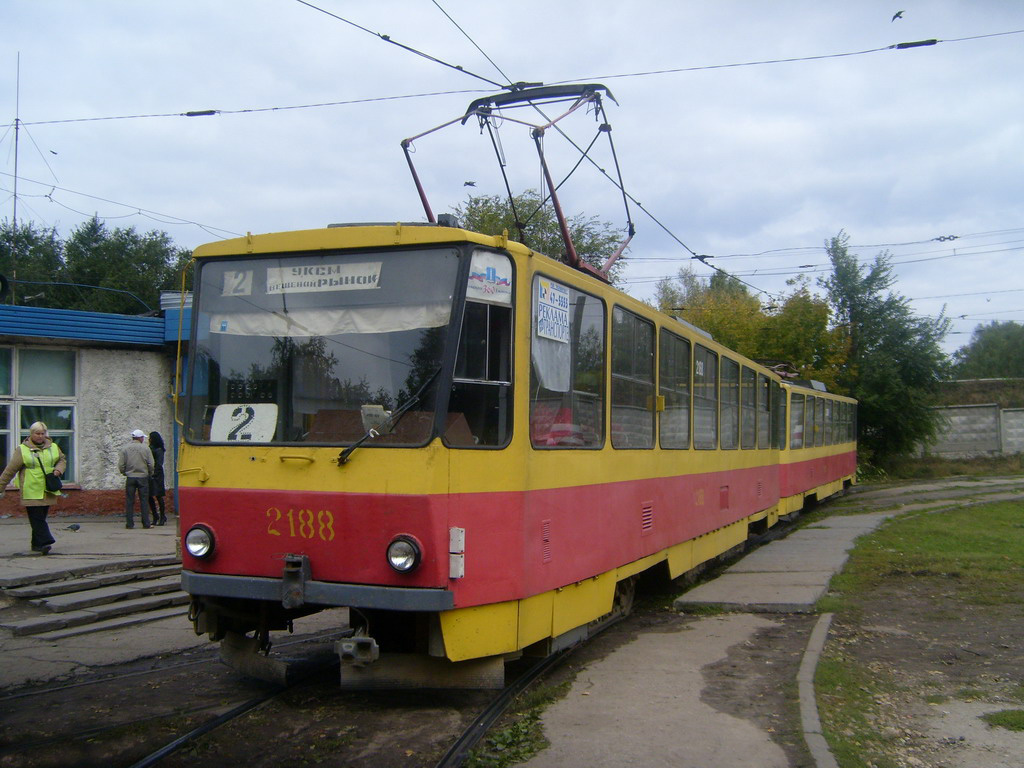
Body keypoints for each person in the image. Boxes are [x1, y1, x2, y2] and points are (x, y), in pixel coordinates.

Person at [0, 422, 67, 554]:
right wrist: (1, 486)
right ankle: (46, 540)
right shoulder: (22, 449)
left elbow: (62, 459)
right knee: (36, 517)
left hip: (48, 488)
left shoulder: (53, 447)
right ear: (31, 434)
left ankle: (37, 545)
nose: (40, 436)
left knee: (42, 516)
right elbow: (10, 470)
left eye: (42, 433)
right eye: (37, 433)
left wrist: (58, 470)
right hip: (30, 488)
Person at [119, 429, 154, 529]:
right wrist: (150, 473)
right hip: (143, 477)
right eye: (143, 437)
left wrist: (124, 472)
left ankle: (129, 523)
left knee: (130, 501)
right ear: (140, 438)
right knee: (144, 500)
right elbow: (151, 464)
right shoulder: (146, 449)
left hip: (130, 477)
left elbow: (121, 464)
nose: (143, 439)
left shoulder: (125, 449)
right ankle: (146, 523)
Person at [147, 431, 167, 526]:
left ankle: (162, 516)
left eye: (150, 438)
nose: (149, 440)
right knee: (149, 495)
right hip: (151, 474)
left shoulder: (159, 450)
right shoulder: (150, 448)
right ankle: (155, 515)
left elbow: (159, 463)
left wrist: (154, 474)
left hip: (157, 475)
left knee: (159, 496)